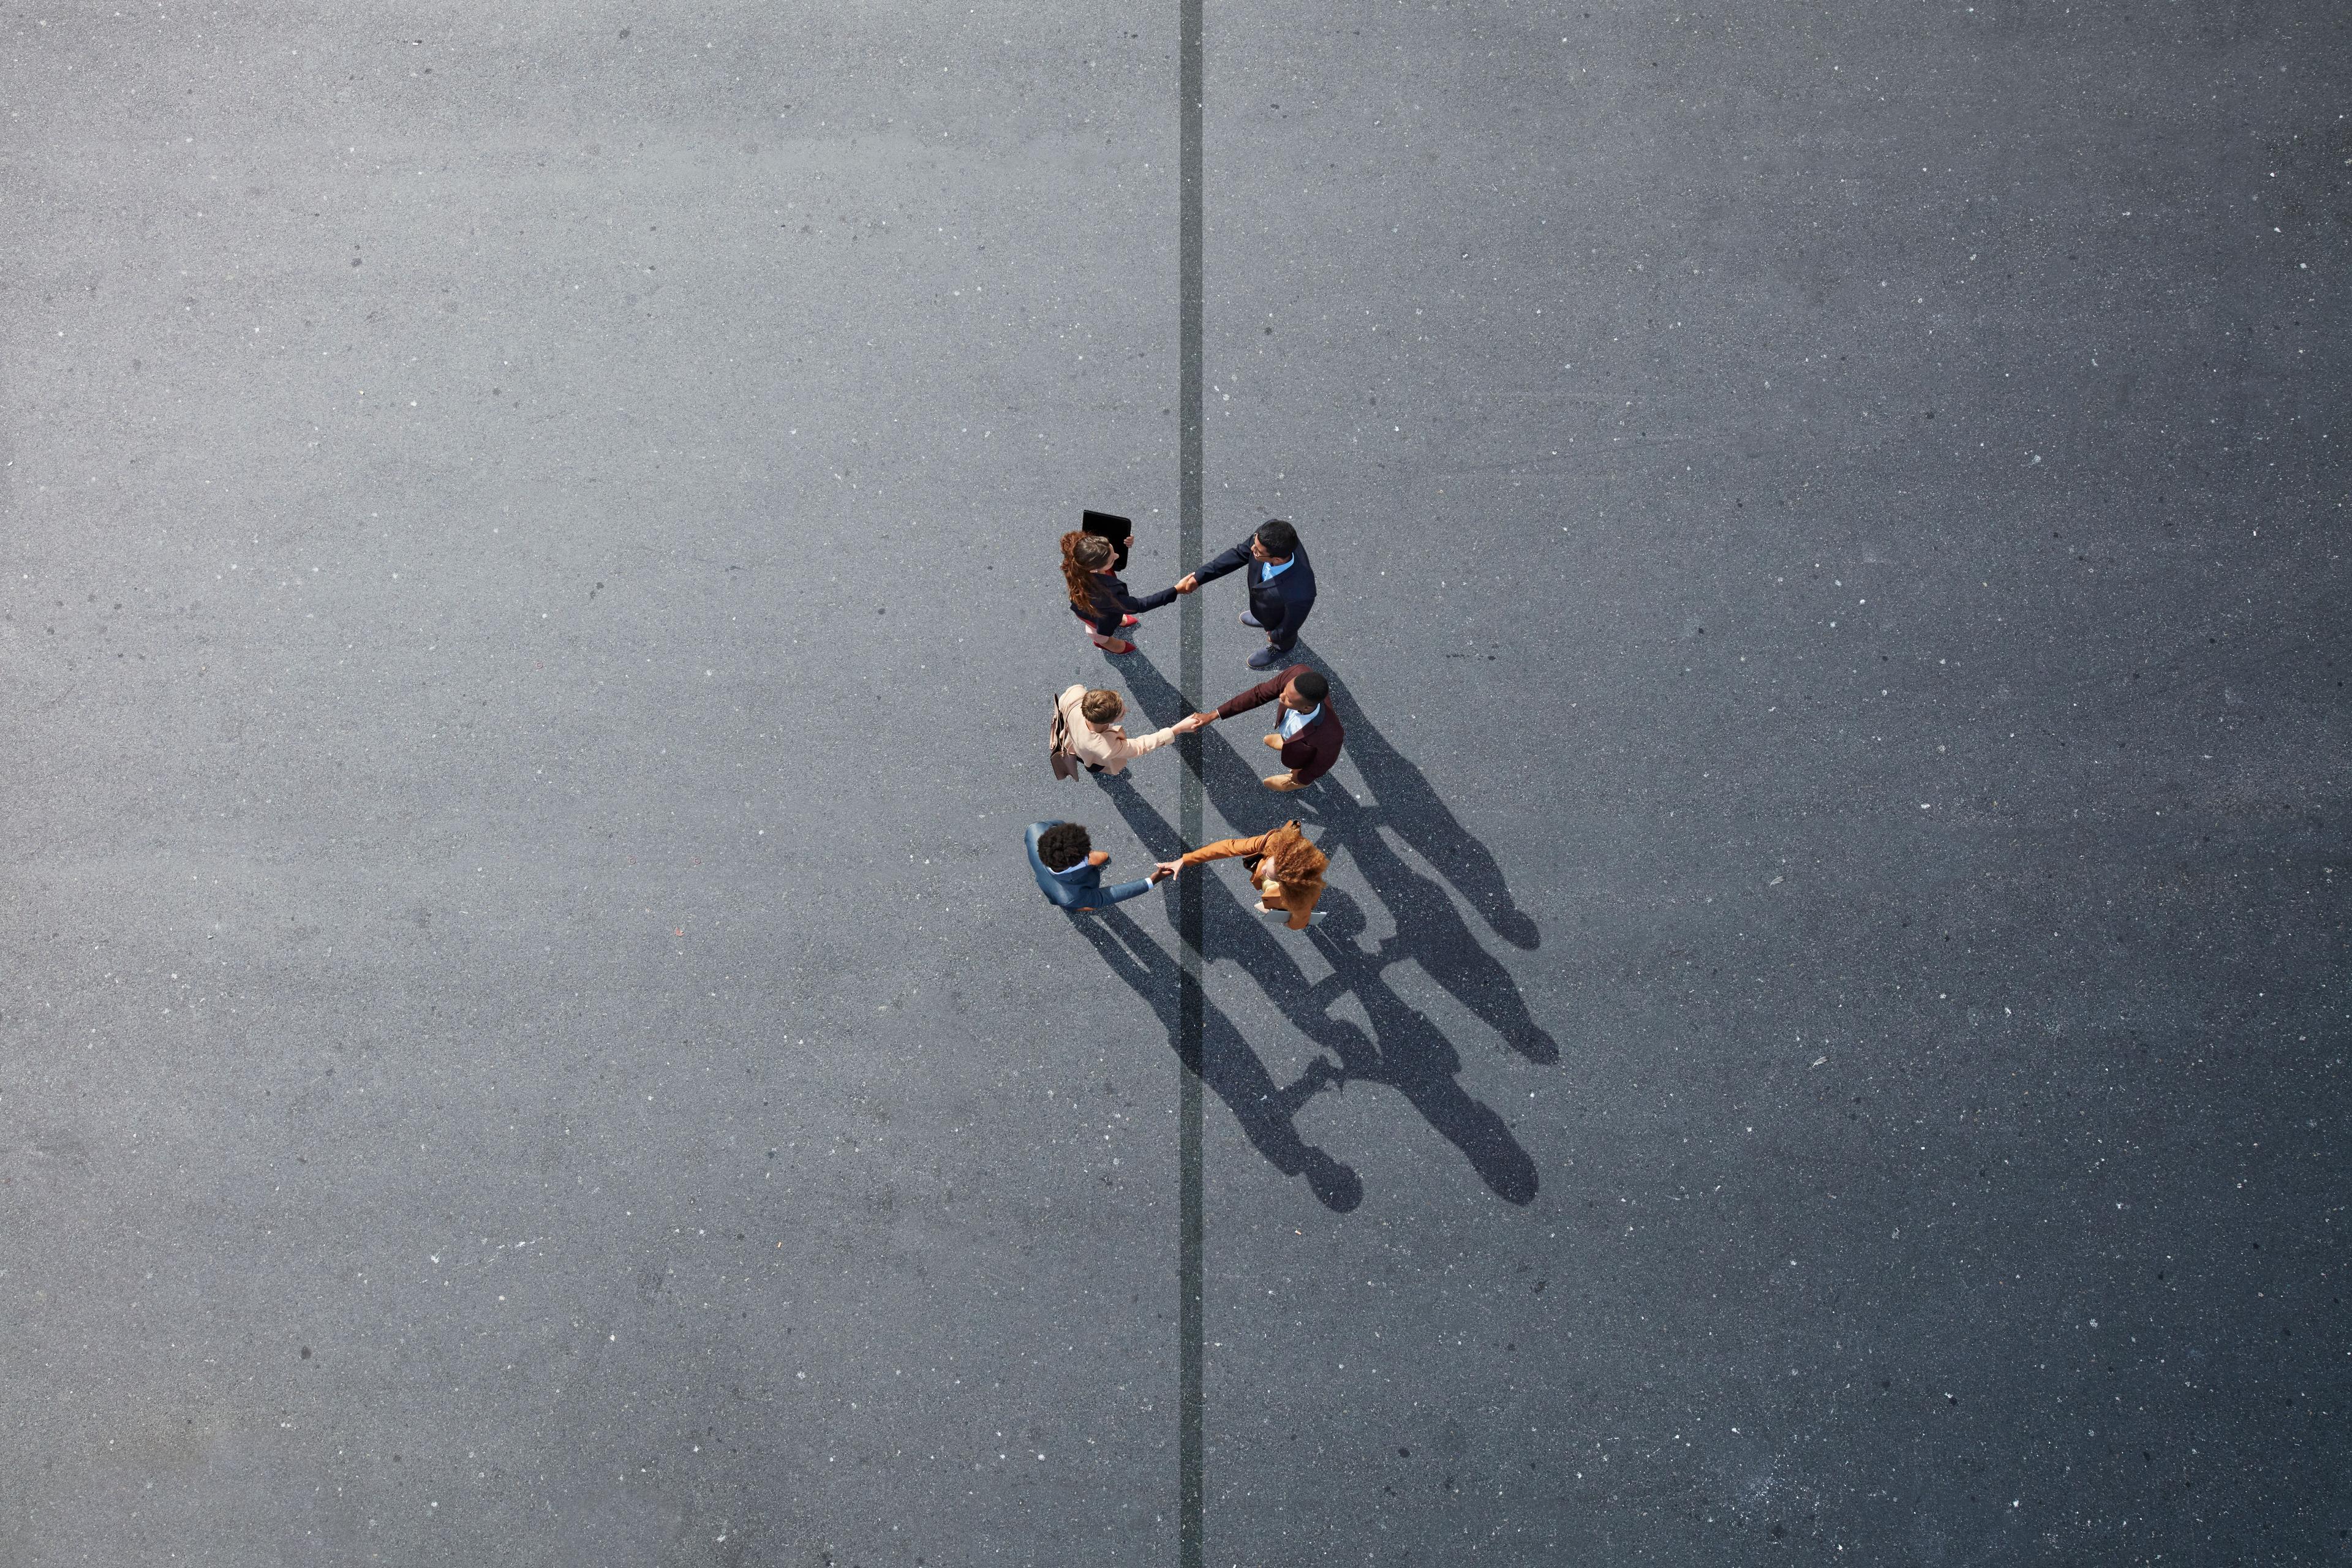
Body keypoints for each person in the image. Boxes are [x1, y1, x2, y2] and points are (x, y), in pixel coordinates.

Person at [1175, 518, 1316, 669]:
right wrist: (1200, 577)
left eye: (1257, 551)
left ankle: (1281, 648)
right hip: (1267, 603)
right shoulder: (1267, 537)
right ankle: (1261, 616)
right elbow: (1239, 554)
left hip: (1279, 614)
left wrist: (1275, 635)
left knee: (1284, 635)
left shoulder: (1302, 591)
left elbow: (1292, 623)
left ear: (1277, 559)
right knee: (1263, 611)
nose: (1252, 549)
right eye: (1254, 544)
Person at [1190, 665, 1343, 792]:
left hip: (1304, 755)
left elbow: (1322, 764)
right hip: (1295, 736)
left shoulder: (1330, 734)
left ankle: (1293, 782)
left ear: (1306, 707)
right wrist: (1213, 715)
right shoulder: (1297, 674)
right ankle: (1286, 741)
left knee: (1301, 771)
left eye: (1288, 699)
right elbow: (1258, 694)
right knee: (1291, 738)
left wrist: (1301, 778)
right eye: (1284, 690)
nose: (1281, 697)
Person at [1155, 819, 1329, 929]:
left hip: (1293, 896)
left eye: (1272, 876)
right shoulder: (1274, 842)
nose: (1265, 871)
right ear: (1279, 852)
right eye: (1270, 863)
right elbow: (1229, 847)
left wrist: (1289, 923)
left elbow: (1301, 917)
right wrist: (1185, 860)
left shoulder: (1301, 896)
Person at [1063, 531, 1178, 655]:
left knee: (1112, 615)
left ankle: (1116, 621)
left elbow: (1101, 546)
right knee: (1097, 632)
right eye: (1112, 560)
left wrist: (1124, 541)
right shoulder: (1106, 594)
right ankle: (1103, 642)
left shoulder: (1081, 553)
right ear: (1095, 569)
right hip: (1096, 614)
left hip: (1100, 607)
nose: (1117, 556)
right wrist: (1177, 589)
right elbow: (1140, 605)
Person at [1054, 685, 1208, 777]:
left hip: (1073, 740)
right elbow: (1140, 746)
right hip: (1094, 757)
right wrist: (1178, 729)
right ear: (1108, 721)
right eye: (1121, 713)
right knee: (1096, 766)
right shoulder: (1107, 748)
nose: (1127, 710)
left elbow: (1063, 703)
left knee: (1084, 756)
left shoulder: (1076, 696)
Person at [1025, 820, 1167, 911]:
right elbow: (1109, 896)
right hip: (1070, 898)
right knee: (1083, 905)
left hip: (1046, 883)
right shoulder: (1071, 896)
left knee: (1056, 898)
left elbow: (1059, 827)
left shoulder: (1034, 830)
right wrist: (1152, 881)